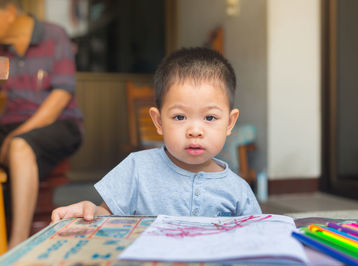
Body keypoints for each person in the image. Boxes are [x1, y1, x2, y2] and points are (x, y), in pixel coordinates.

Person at [51, 47, 261, 222]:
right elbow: (106, 215)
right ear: (159, 121)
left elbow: (256, 239)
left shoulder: (238, 190)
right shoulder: (137, 168)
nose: (195, 131)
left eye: (210, 118)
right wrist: (91, 211)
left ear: (230, 122)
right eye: (180, 117)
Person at [0, 0, 83, 248]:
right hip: (11, 122)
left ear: (11, 12)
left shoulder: (54, 35)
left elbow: (60, 97)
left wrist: (14, 138)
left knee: (19, 146)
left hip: (60, 122)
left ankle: (16, 246)